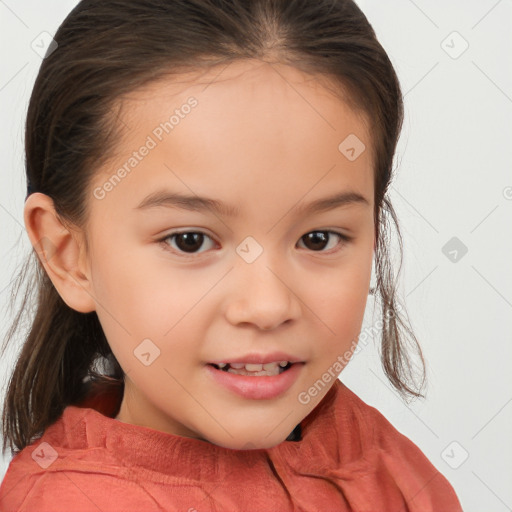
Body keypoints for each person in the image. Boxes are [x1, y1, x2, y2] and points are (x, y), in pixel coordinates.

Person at [0, 0, 463, 510]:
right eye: (190, 241)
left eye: (318, 239)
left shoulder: (383, 463)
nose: (266, 306)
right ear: (69, 255)